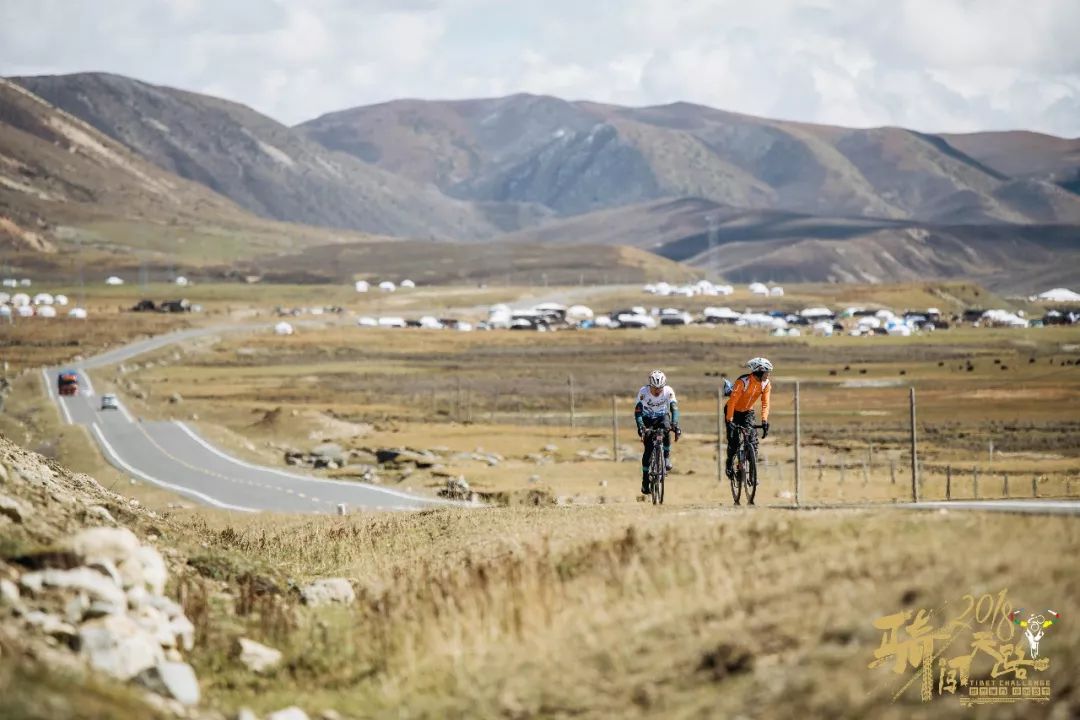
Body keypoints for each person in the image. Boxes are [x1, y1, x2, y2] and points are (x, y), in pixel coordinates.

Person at [725, 357, 772, 480]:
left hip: (748, 412)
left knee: (752, 441)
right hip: (733, 411)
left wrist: (764, 421)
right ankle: (729, 462)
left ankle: (751, 473)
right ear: (758, 371)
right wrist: (729, 420)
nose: (768, 375)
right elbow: (732, 402)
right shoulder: (743, 381)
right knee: (734, 442)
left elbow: (765, 404)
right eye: (766, 372)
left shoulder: (766, 384)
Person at [635, 370, 681, 495]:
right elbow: (638, 412)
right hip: (647, 419)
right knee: (648, 449)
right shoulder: (643, 392)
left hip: (662, 417)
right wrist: (641, 426)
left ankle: (665, 457)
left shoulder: (668, 391)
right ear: (650, 385)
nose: (657, 391)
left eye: (660, 388)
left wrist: (675, 424)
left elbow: (674, 409)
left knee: (666, 429)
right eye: (655, 388)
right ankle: (645, 481)